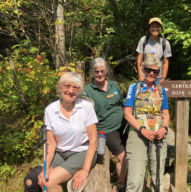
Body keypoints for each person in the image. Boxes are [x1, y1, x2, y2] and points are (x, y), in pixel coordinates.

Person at [24, 72, 98, 192]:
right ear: (59, 87)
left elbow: (93, 140)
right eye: (66, 86)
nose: (70, 90)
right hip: (60, 152)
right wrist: (47, 167)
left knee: (49, 181)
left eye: (75, 87)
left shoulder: (86, 107)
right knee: (31, 180)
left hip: (82, 152)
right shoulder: (50, 110)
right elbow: (51, 143)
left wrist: (85, 170)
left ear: (79, 91)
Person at [124, 55, 170, 192]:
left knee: (157, 179)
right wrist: (142, 130)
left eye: (155, 71)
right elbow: (127, 113)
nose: (151, 73)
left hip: (158, 136)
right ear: (143, 70)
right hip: (138, 135)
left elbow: (166, 114)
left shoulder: (160, 90)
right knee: (135, 180)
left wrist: (164, 129)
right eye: (148, 70)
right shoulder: (134, 87)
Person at [83, 58, 127, 192]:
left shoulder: (114, 85)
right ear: (92, 72)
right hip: (107, 129)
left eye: (102, 71)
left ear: (106, 70)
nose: (100, 74)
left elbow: (121, 103)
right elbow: (86, 116)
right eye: (97, 72)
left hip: (124, 125)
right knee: (123, 157)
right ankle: (120, 185)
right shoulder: (88, 91)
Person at [136, 17, 172, 85]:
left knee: (158, 95)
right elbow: (139, 59)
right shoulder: (143, 40)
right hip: (144, 76)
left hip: (158, 77)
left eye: (157, 26)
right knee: (140, 94)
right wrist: (140, 76)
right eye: (152, 26)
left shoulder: (165, 43)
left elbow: (166, 63)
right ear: (149, 28)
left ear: (161, 28)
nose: (155, 28)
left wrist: (163, 78)